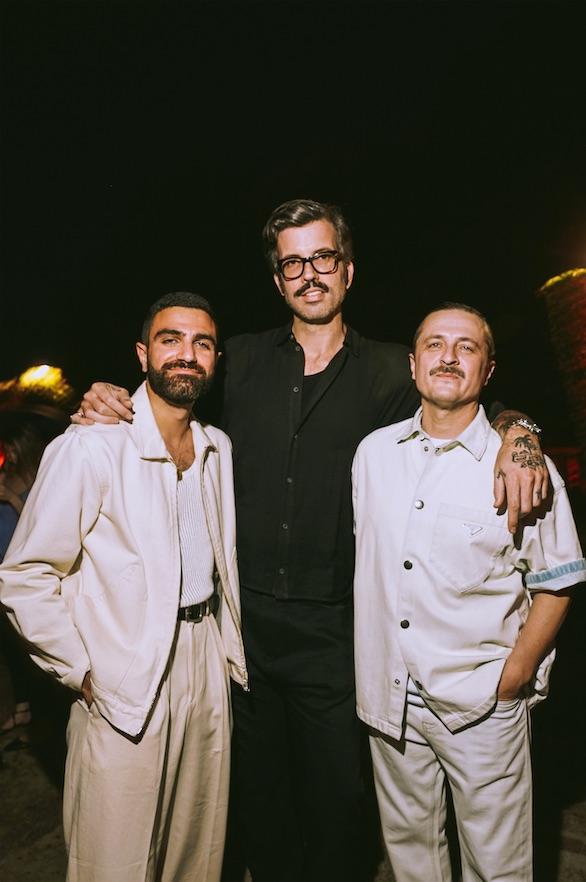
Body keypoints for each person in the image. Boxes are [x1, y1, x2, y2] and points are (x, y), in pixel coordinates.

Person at [74, 201, 548, 882]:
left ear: (347, 270)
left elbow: (470, 398)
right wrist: (107, 395)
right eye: (292, 262)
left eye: (323, 257)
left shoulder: (389, 369)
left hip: (337, 635)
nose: (309, 273)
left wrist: (520, 433)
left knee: (339, 808)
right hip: (244, 631)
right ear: (278, 280)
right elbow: (170, 387)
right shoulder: (238, 360)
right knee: (259, 808)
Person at [0, 291, 247, 882]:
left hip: (205, 658)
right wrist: (81, 670)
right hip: (124, 668)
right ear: (142, 354)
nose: (186, 354)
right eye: (170, 339)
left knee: (197, 848)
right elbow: (25, 574)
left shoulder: (217, 448)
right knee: (115, 855)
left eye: (202, 343)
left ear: (215, 360)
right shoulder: (90, 447)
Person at [352, 302, 585, 882]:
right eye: (434, 344)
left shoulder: (524, 469)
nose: (449, 357)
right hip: (390, 702)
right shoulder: (373, 454)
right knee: (410, 855)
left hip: (480, 705)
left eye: (467, 347)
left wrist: (512, 678)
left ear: (488, 369)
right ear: (413, 364)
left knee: (497, 866)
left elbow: (556, 582)